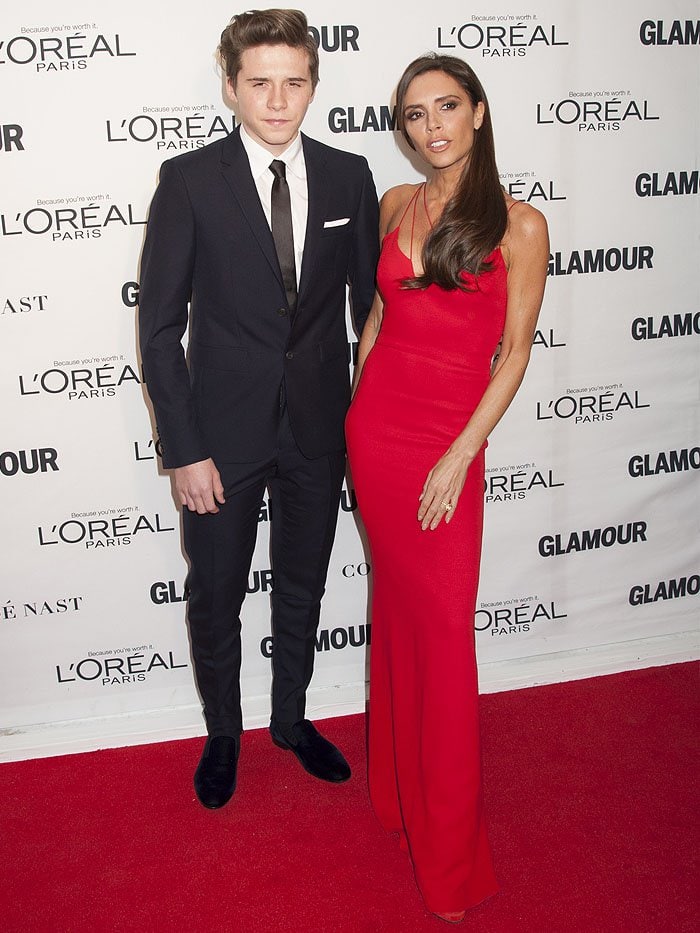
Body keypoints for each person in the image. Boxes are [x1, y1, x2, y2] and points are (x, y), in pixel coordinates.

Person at [139, 9, 379, 810]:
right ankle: (224, 732)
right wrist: (183, 446)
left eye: (295, 82)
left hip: (318, 431)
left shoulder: (349, 177)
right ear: (231, 86)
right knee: (215, 589)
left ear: (314, 84)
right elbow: (160, 326)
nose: (278, 101)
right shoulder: (189, 179)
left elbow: (371, 315)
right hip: (219, 437)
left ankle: (290, 719)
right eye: (260, 83)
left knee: (303, 585)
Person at [346, 54, 549, 921]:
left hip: (446, 446)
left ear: (478, 112)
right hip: (377, 435)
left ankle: (449, 849)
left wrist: (463, 452)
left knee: (442, 636)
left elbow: (515, 352)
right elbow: (380, 318)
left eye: (446, 107)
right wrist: (355, 409)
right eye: (414, 113)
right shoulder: (396, 205)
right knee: (395, 609)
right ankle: (394, 794)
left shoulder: (519, 224)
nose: (430, 126)